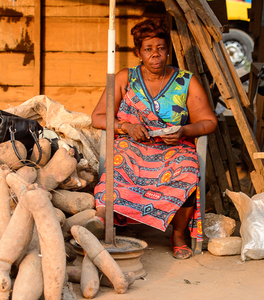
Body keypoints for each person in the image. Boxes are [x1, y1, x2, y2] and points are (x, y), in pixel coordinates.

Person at [86, 18, 217, 260]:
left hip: (172, 147)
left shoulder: (185, 82)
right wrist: (125, 126)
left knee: (188, 169)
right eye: (148, 49)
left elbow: (209, 121)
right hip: (133, 144)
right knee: (117, 163)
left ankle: (178, 234)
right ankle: (104, 222)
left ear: (168, 50)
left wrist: (183, 131)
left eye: (160, 48)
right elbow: (98, 117)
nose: (155, 55)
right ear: (139, 53)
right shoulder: (126, 78)